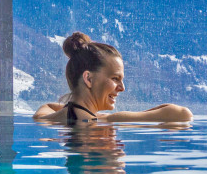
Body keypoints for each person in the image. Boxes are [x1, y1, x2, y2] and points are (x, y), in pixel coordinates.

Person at [33, 32, 192, 124]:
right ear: (88, 78)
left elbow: (47, 106)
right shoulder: (101, 125)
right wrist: (110, 118)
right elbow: (183, 114)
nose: (122, 88)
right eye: (115, 78)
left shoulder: (47, 119)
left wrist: (94, 113)